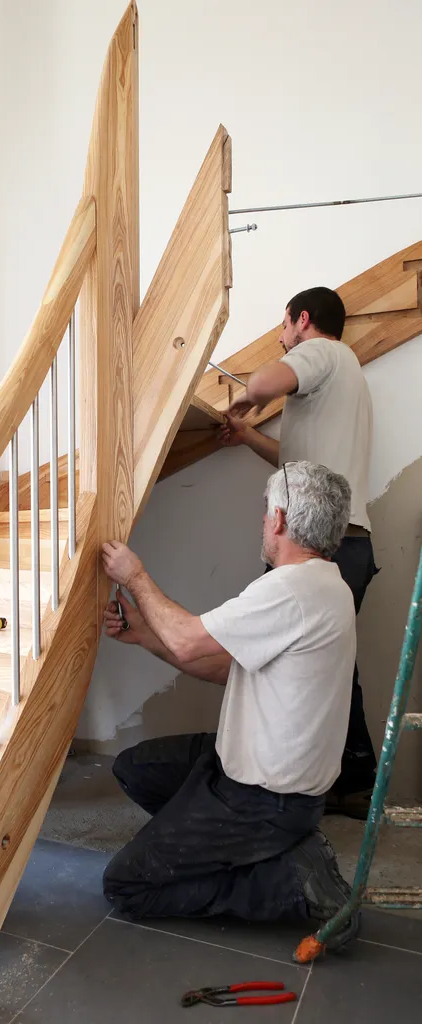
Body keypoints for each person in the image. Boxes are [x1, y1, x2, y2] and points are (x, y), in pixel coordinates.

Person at [100, 461, 359, 949]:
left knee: (126, 886)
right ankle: (249, 849)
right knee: (136, 768)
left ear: (279, 519)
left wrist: (134, 575)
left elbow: (186, 639)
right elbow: (225, 668)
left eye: (266, 514)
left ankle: (287, 884)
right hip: (248, 770)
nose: (263, 523)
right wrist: (143, 638)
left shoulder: (291, 589)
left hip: (264, 798)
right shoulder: (329, 585)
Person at [220, 287, 377, 819]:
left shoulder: (323, 352)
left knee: (278, 661)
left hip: (321, 547)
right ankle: (353, 780)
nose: (282, 336)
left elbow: (264, 381)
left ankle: (285, 782)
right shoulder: (345, 374)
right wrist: (246, 437)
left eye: (284, 326)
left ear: (302, 320)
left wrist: (249, 395)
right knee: (333, 666)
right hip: (347, 541)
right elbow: (293, 463)